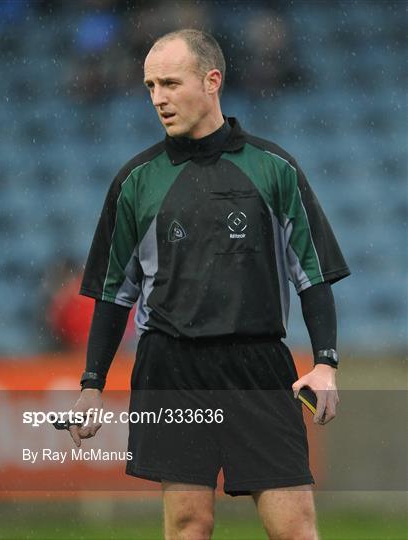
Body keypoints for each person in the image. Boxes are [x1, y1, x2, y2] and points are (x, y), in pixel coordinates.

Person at [69, 29, 350, 540]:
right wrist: (92, 384)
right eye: (150, 85)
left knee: (294, 528)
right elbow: (114, 296)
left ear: (212, 80)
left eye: (171, 83)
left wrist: (326, 363)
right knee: (188, 526)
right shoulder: (135, 182)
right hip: (171, 367)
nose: (158, 98)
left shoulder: (274, 169)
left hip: (258, 364)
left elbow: (312, 275)